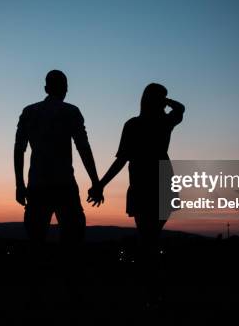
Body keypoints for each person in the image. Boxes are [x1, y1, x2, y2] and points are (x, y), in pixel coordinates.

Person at [88, 83, 184, 303]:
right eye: (161, 98)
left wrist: (101, 184)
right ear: (158, 101)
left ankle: (149, 290)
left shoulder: (134, 124)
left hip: (144, 185)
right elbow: (180, 109)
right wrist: (167, 102)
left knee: (147, 239)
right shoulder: (164, 122)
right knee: (151, 239)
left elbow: (121, 160)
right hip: (160, 184)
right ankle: (153, 289)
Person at [14, 70, 101, 245]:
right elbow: (83, 148)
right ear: (65, 88)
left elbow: (19, 150)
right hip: (64, 184)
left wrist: (20, 184)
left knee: (36, 239)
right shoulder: (71, 112)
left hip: (37, 184)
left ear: (46, 89)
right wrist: (95, 181)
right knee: (73, 238)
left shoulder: (29, 112)